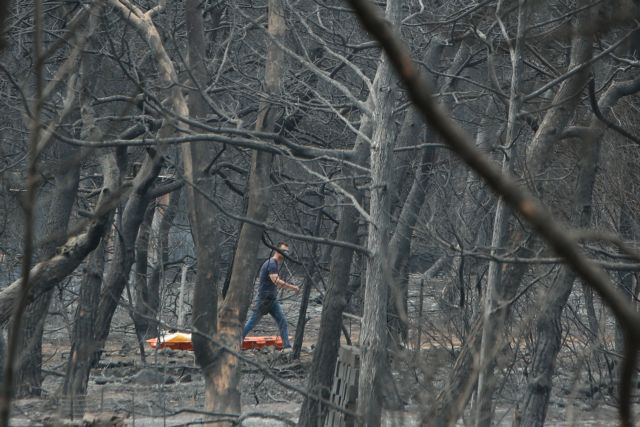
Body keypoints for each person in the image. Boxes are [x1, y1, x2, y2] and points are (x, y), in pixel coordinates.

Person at [242, 242, 300, 350]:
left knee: (282, 322)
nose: (286, 253)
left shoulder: (275, 263)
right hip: (264, 300)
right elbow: (276, 281)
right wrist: (293, 288)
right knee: (251, 323)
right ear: (277, 250)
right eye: (283, 250)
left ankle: (287, 347)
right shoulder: (272, 263)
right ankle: (236, 341)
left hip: (272, 300)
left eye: (287, 251)